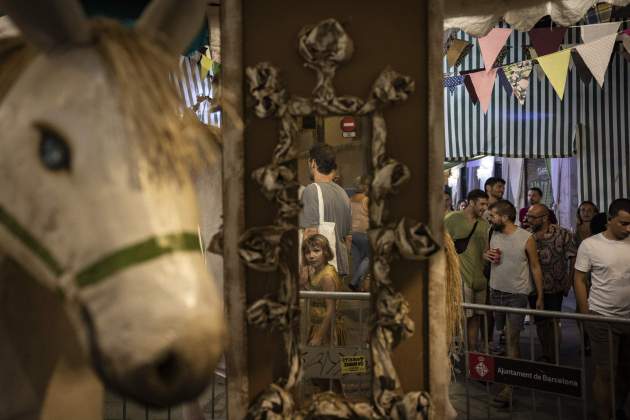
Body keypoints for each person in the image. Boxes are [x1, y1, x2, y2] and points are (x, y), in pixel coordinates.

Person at [574, 198, 630, 420]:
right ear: (609, 220)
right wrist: (586, 313)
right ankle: (604, 415)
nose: (628, 228)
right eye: (624, 223)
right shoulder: (590, 245)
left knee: (625, 372)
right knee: (605, 372)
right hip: (601, 317)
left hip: (628, 319)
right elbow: (578, 279)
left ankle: (618, 408)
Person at [485, 200, 544, 407]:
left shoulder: (526, 238)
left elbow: (536, 267)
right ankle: (511, 374)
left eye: (492, 215)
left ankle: (508, 388)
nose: (489, 219)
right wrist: (487, 255)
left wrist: (539, 296)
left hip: (517, 295)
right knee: (497, 340)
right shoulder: (492, 232)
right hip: (495, 291)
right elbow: (487, 253)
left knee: (512, 339)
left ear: (505, 217)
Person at [525, 204, 577, 363]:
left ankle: (554, 356)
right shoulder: (527, 235)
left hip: (555, 285)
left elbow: (573, 257)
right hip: (534, 287)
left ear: (545, 218)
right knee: (540, 322)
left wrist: (569, 281)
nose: (528, 220)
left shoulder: (563, 234)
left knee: (553, 321)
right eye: (528, 216)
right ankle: (546, 353)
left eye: (532, 217)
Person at [444, 189, 490, 351]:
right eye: (482, 204)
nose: (485, 207)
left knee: (476, 317)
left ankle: (472, 354)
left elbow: (486, 249)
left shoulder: (485, 224)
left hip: (480, 279)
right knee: (461, 317)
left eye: (486, 204)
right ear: (471, 202)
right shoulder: (452, 219)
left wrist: (489, 255)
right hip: (461, 278)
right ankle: (449, 353)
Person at [300, 143, 352, 277]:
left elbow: (310, 232)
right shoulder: (343, 194)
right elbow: (348, 237)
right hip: (340, 268)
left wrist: (304, 271)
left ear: (313, 163)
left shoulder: (312, 190)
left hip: (321, 271)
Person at [300, 234, 345, 347]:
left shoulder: (327, 276)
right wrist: (305, 284)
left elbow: (331, 309)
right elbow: (318, 297)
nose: (311, 256)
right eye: (307, 252)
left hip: (327, 328)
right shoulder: (316, 271)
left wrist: (319, 336)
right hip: (318, 326)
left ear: (325, 252)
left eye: (316, 251)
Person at [349, 177, 370, 291]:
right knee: (368, 257)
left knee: (357, 261)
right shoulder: (367, 200)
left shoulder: (350, 199)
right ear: (365, 186)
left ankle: (358, 286)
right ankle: (354, 282)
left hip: (352, 234)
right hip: (364, 233)